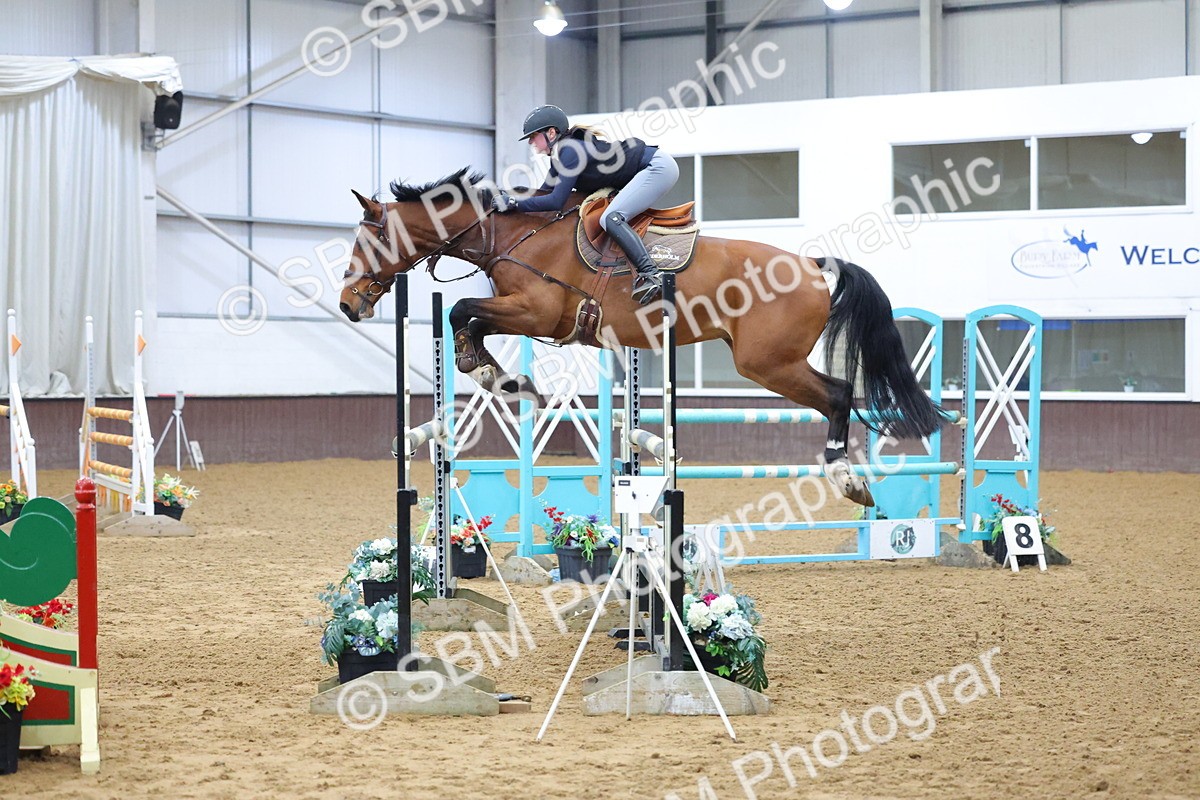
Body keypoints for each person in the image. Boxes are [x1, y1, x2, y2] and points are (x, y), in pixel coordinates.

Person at [491, 105, 679, 305]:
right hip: (649, 167)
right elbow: (543, 195)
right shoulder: (561, 156)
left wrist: (513, 203)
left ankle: (651, 274)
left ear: (551, 133)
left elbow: (555, 202)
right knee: (609, 216)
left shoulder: (569, 151)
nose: (530, 141)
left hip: (657, 168)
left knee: (611, 218)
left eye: (534, 135)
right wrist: (509, 196)